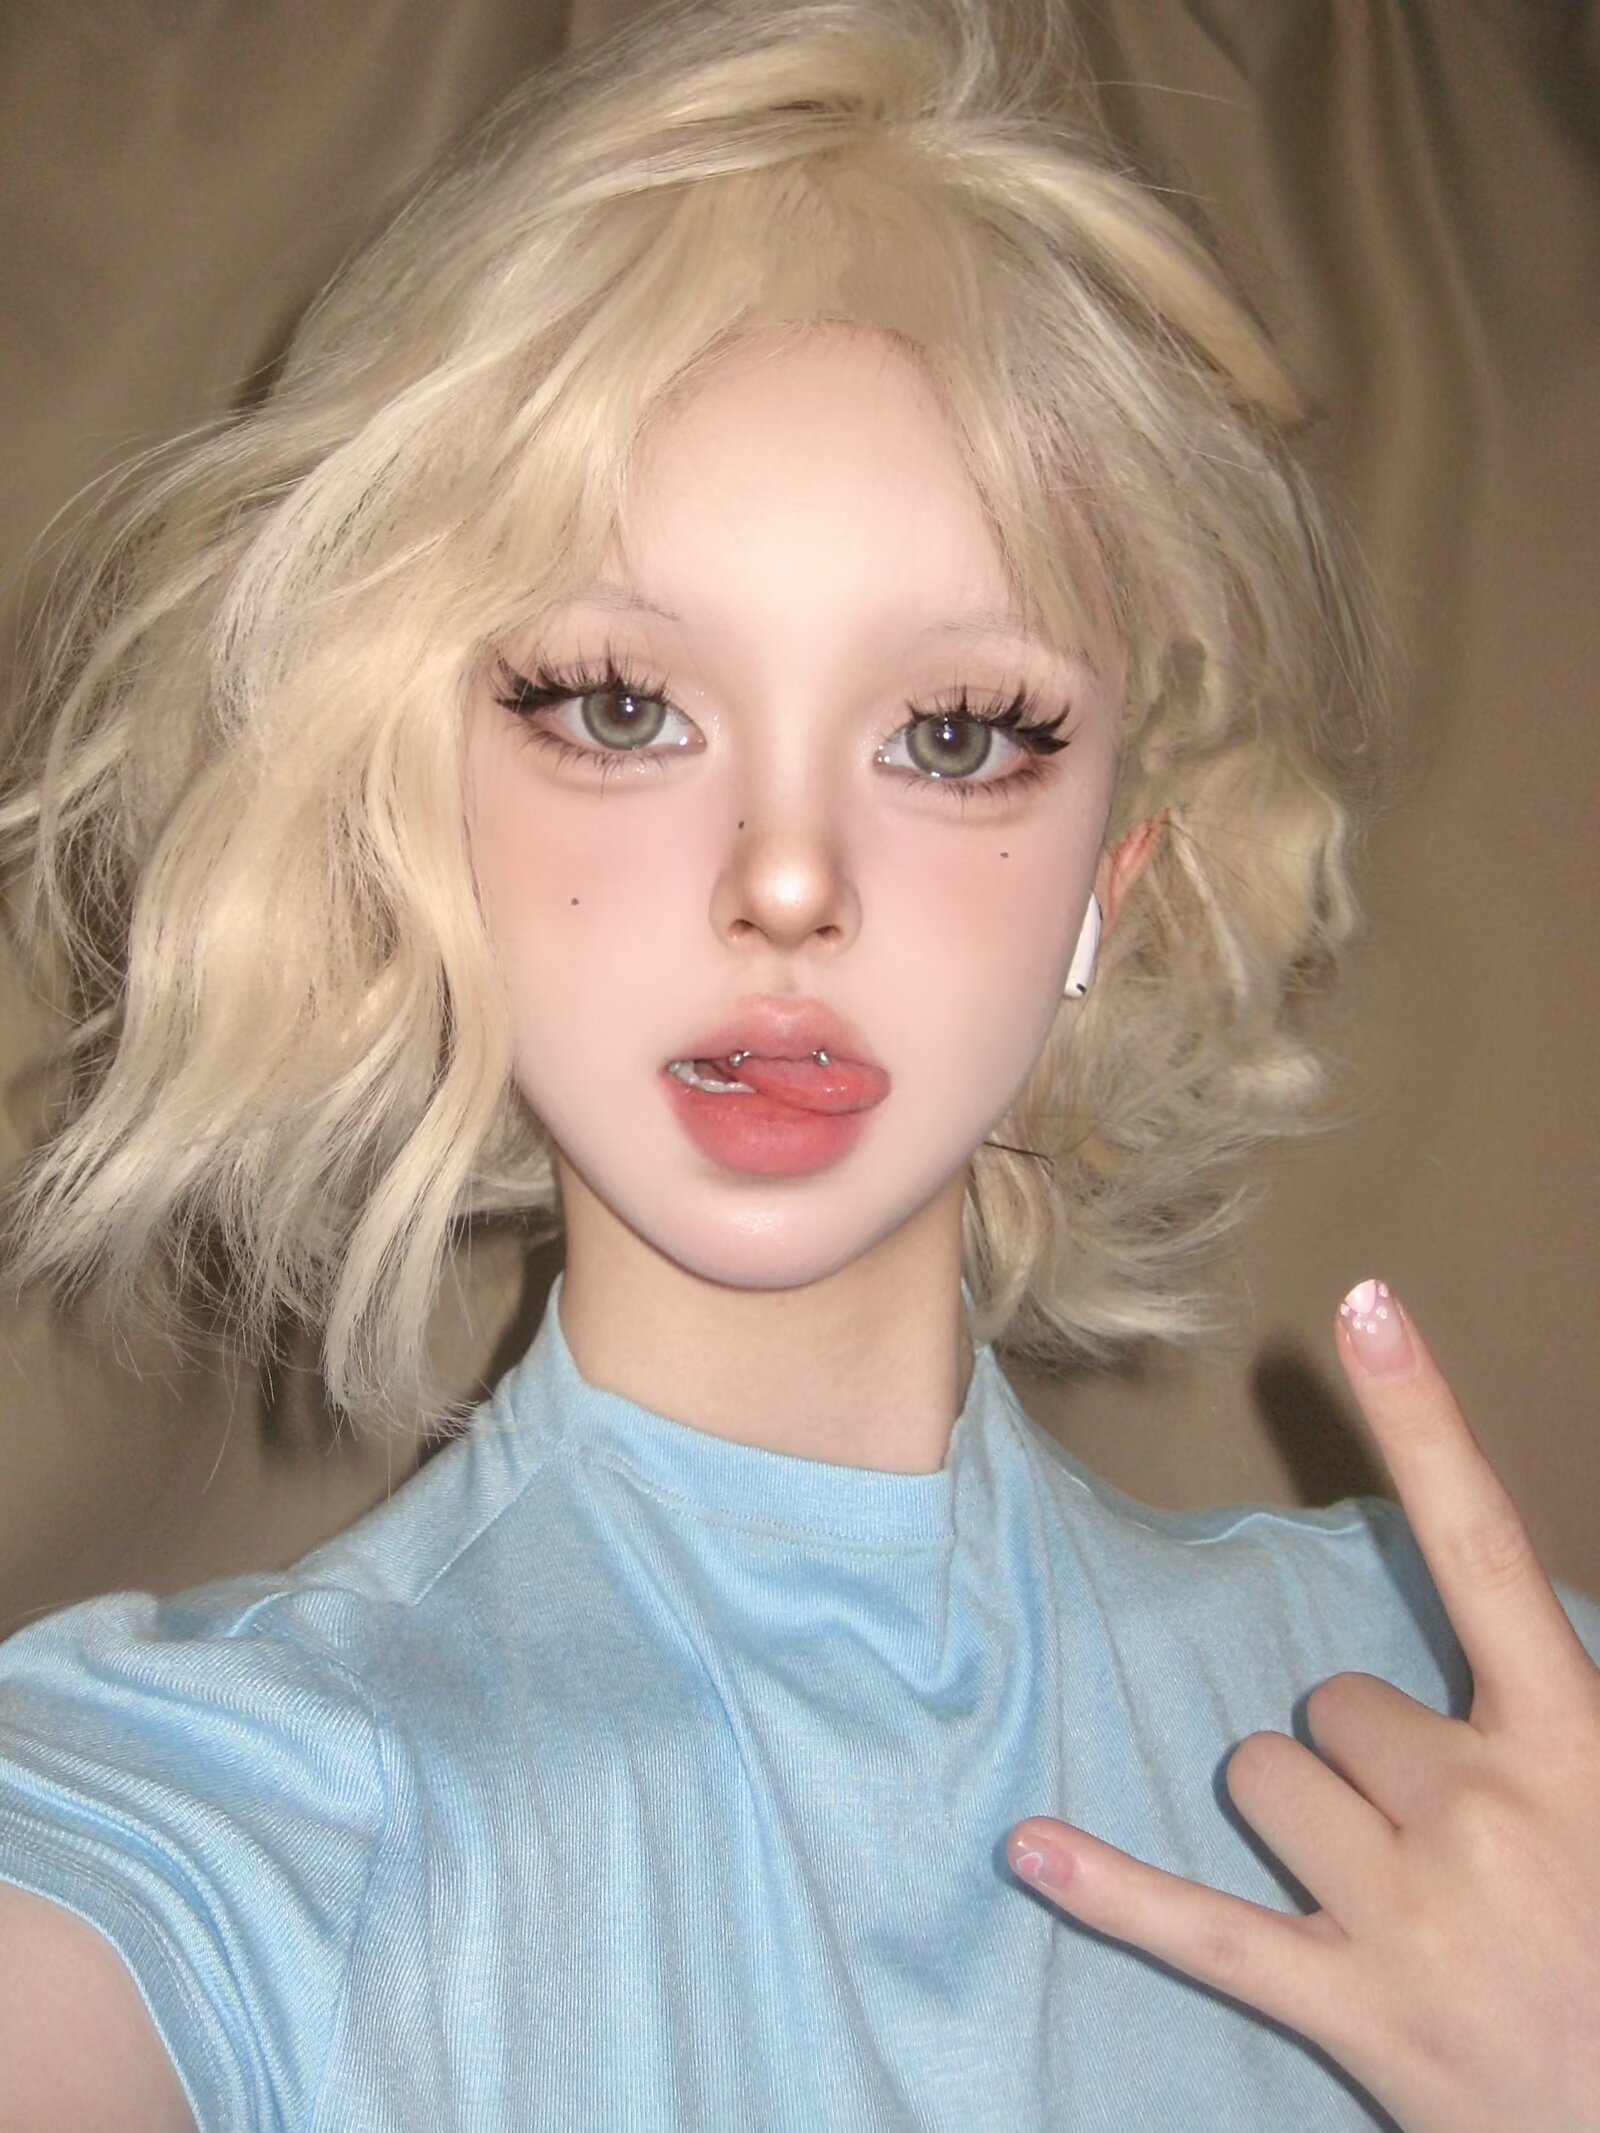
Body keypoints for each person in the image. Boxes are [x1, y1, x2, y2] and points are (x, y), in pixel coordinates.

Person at [0, 2, 1595, 2126]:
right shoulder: (220, 1819)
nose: (783, 879)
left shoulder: (1486, 1731)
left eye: (954, 733)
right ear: (419, 812)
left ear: (1106, 880)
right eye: (619, 707)